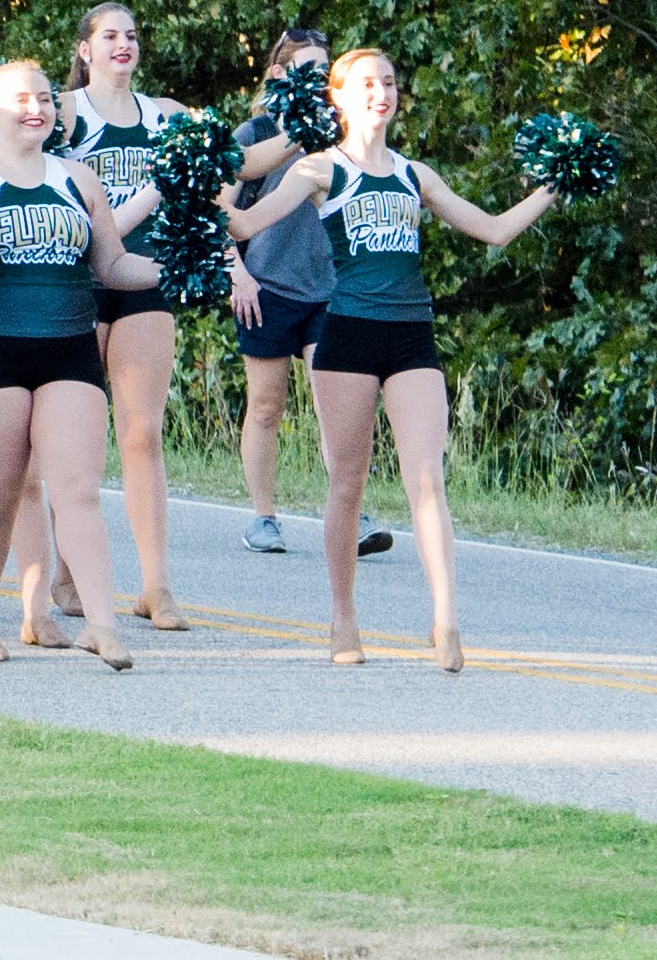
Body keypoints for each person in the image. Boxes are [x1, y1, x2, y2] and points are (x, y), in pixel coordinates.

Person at [223, 48, 554, 671]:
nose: (382, 93)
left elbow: (493, 229)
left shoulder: (415, 174)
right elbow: (243, 226)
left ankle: (446, 620)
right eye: (368, 84)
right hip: (347, 334)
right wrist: (201, 181)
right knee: (347, 482)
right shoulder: (320, 170)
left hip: (411, 337)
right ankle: (343, 619)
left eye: (391, 83)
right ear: (340, 97)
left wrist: (554, 184)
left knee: (427, 478)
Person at [0, 58, 161, 669]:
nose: (37, 109)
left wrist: (179, 272)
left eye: (47, 99)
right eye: (22, 99)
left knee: (78, 490)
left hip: (69, 347)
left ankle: (102, 626)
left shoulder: (79, 179)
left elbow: (112, 265)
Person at [61, 2, 197, 629]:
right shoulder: (63, 114)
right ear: (85, 49)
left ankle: (157, 585)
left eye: (132, 35)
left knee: (142, 432)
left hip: (143, 278)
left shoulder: (167, 117)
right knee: (75, 440)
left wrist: (297, 132)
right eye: (109, 35)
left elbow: (222, 174)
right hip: (74, 282)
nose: (123, 45)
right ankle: (66, 569)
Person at [226, 30, 381, 558]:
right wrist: (237, 275)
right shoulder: (258, 130)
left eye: (324, 70)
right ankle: (263, 519)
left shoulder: (342, 132)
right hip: (267, 284)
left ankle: (352, 513)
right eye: (304, 70)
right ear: (278, 74)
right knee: (267, 406)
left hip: (329, 286)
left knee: (337, 403)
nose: (316, 80)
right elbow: (218, 209)